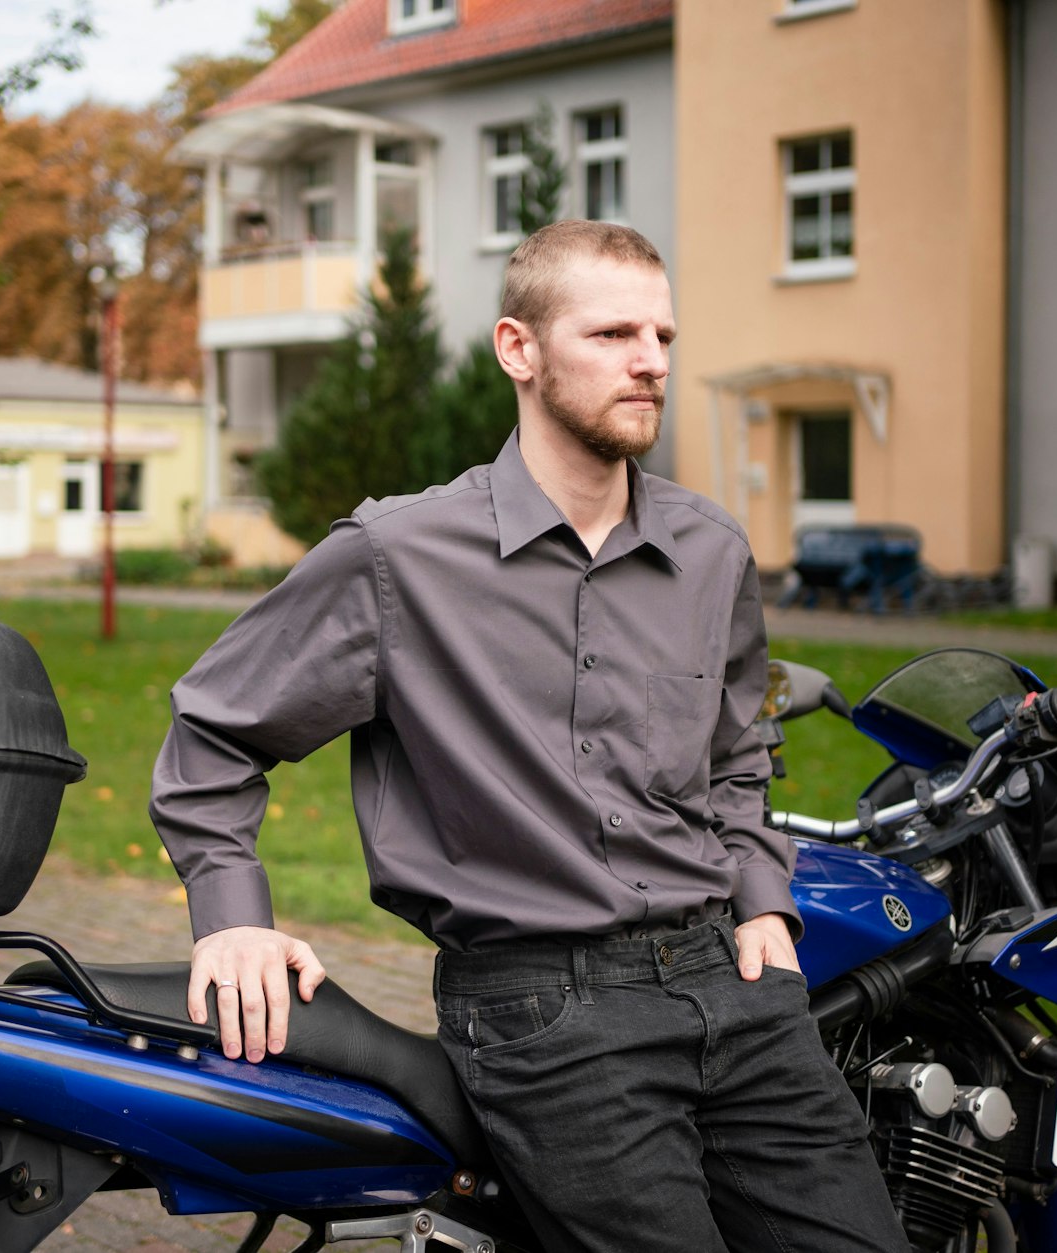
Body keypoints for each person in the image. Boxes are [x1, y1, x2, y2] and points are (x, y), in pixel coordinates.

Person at [149, 220, 908, 1253]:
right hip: (542, 1012)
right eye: (610, 334)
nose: (650, 361)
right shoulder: (395, 556)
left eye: (663, 336)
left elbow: (736, 751)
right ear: (519, 348)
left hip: (730, 984)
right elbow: (215, 730)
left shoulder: (709, 552)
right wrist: (229, 914)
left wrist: (760, 902)